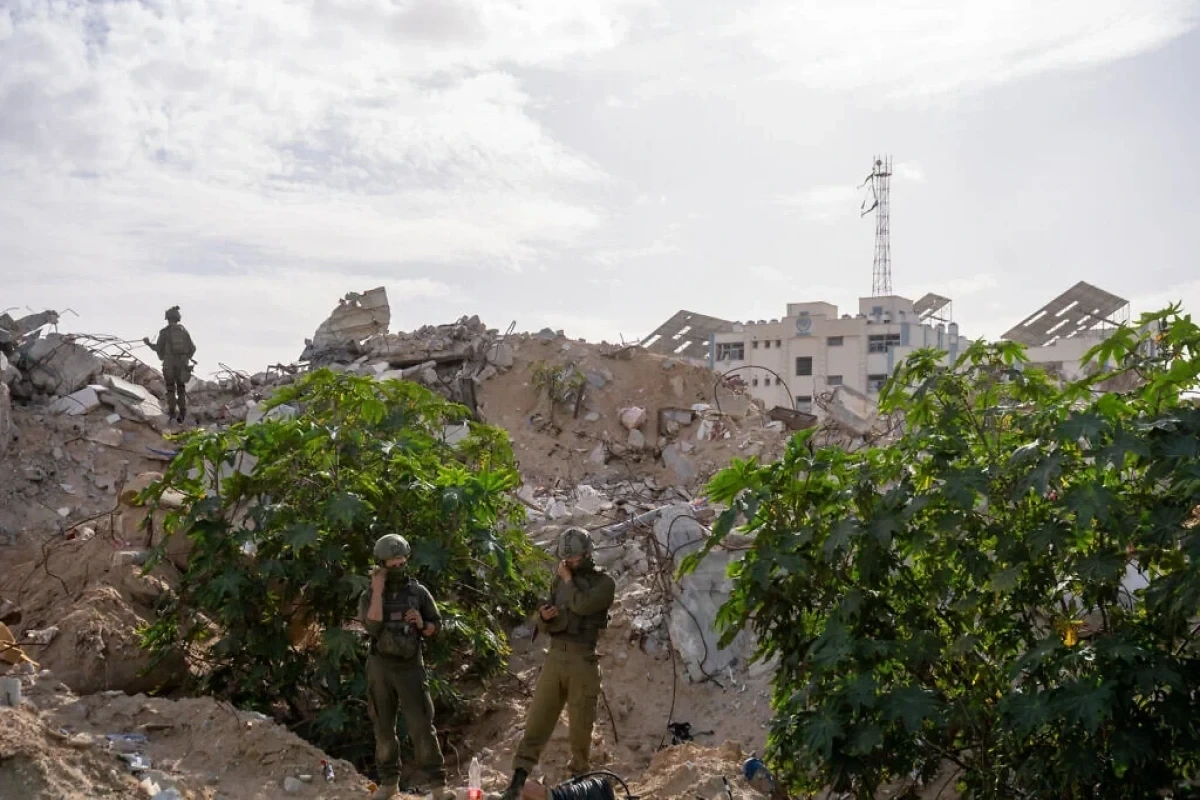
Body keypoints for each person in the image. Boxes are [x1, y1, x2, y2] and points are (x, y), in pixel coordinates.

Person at [501, 527, 616, 800]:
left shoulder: (604, 583)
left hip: (582, 660)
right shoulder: (560, 581)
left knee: (580, 731)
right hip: (555, 657)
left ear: (587, 554)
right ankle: (516, 784)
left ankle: (579, 787)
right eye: (566, 559)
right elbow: (543, 622)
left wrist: (567, 580)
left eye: (574, 558)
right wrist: (544, 616)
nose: (569, 563)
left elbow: (583, 606)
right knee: (537, 722)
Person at [359, 534, 446, 800]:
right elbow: (372, 626)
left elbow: (436, 627)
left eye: (401, 563)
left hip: (410, 666)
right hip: (380, 666)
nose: (397, 568)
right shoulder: (370, 594)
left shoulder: (418, 593)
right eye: (391, 564)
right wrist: (377, 590)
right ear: (381, 564)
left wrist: (421, 623)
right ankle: (389, 783)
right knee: (383, 727)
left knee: (422, 726)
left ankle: (438, 786)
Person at [142, 305, 195, 424]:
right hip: (182, 365)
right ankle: (182, 413)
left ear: (168, 318)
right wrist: (185, 358)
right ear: (177, 318)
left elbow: (158, 348)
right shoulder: (184, 331)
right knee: (181, 389)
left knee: (170, 388)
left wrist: (148, 343)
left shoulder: (164, 332)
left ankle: (172, 413)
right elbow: (193, 348)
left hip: (168, 365)